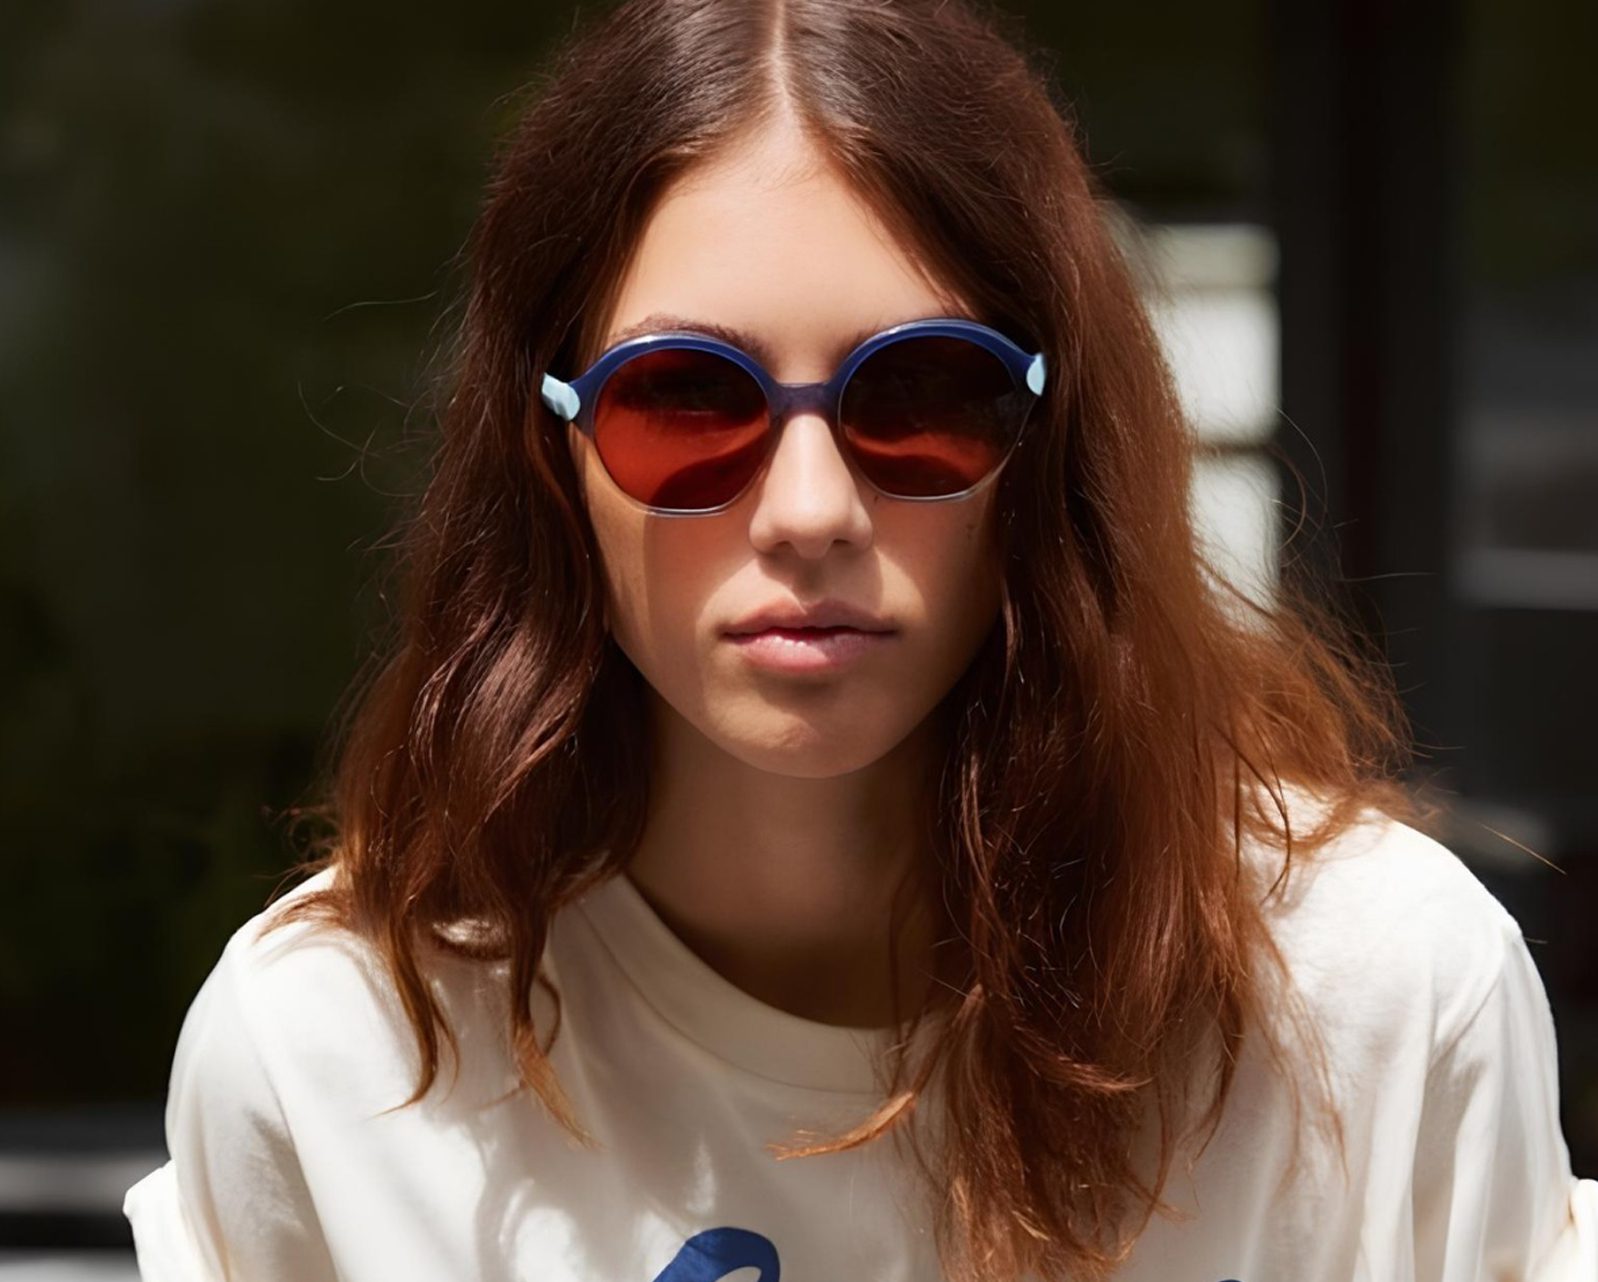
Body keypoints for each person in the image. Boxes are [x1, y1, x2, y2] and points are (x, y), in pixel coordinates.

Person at [122, 0, 1597, 1279]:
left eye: (924, 396)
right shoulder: (332, 1062)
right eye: (685, 402)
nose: (810, 508)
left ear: (1052, 438)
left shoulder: (1374, 1000)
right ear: (546, 450)